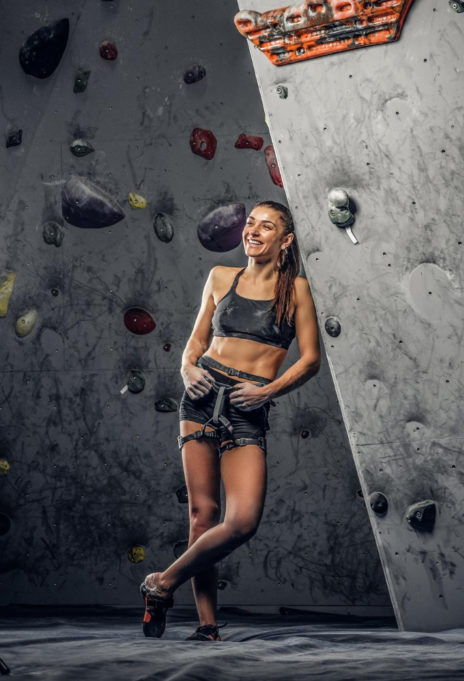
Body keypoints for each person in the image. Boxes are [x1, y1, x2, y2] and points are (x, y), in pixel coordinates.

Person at [139, 201, 320, 641]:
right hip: (201, 398)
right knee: (203, 515)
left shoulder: (295, 288)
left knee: (241, 522)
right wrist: (187, 370)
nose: (254, 231)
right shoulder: (222, 277)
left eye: (267, 226)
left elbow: (311, 360)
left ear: (285, 239)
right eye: (251, 223)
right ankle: (207, 626)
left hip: (248, 406)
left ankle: (161, 584)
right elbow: (196, 342)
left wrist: (267, 392)